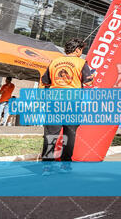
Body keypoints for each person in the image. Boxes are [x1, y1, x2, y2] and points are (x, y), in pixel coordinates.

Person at [40, 38, 93, 175]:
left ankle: (47, 167)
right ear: (77, 50)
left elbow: (45, 81)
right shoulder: (81, 62)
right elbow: (88, 82)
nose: (81, 53)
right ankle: (65, 166)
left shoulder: (54, 62)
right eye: (81, 50)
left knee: (51, 134)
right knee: (69, 135)